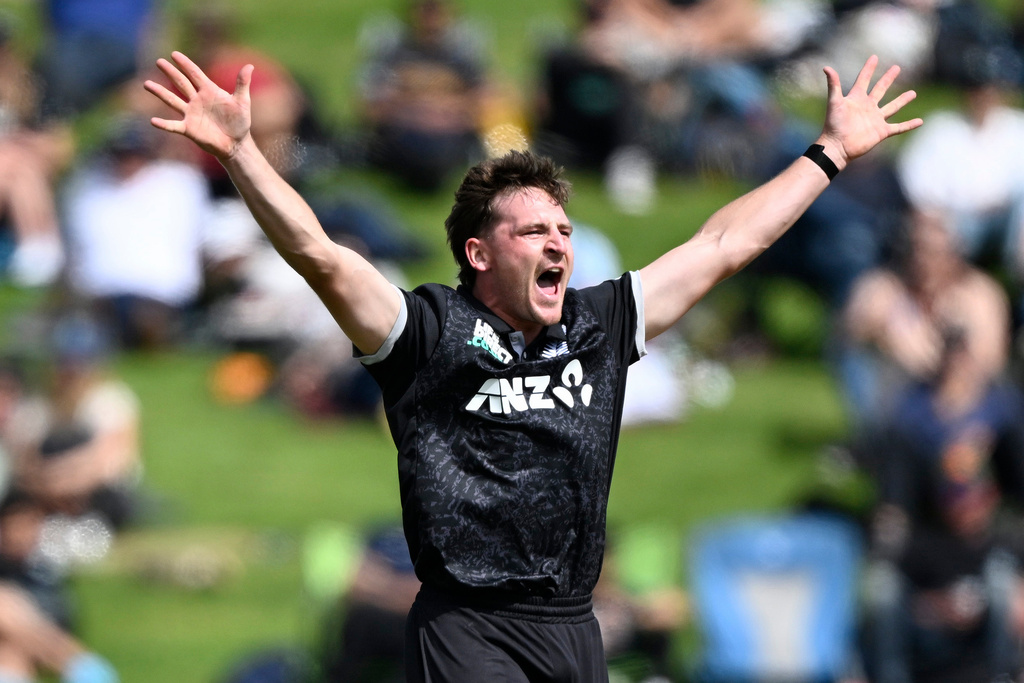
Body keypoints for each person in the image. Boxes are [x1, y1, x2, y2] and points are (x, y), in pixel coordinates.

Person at [144, 50, 920, 682]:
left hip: (573, 624)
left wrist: (830, 153)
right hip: (467, 625)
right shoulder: (425, 332)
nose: (558, 242)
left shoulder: (600, 324)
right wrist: (242, 152)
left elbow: (724, 245)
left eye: (563, 228)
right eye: (533, 231)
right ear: (479, 253)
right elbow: (319, 255)